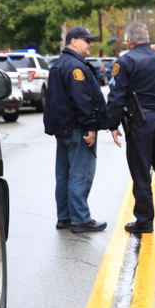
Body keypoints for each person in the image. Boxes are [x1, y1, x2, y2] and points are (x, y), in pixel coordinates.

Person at [106, 23, 155, 233]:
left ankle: (145, 221)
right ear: (147, 39)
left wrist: (112, 124)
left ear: (129, 41)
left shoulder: (126, 61)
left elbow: (116, 96)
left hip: (141, 122)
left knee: (141, 173)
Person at [44, 26, 107, 233]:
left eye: (92, 40)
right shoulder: (75, 67)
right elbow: (83, 100)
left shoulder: (59, 64)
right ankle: (81, 219)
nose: (91, 44)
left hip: (62, 129)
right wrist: (91, 127)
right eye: (86, 40)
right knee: (81, 174)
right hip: (77, 128)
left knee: (64, 175)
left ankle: (65, 217)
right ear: (73, 41)